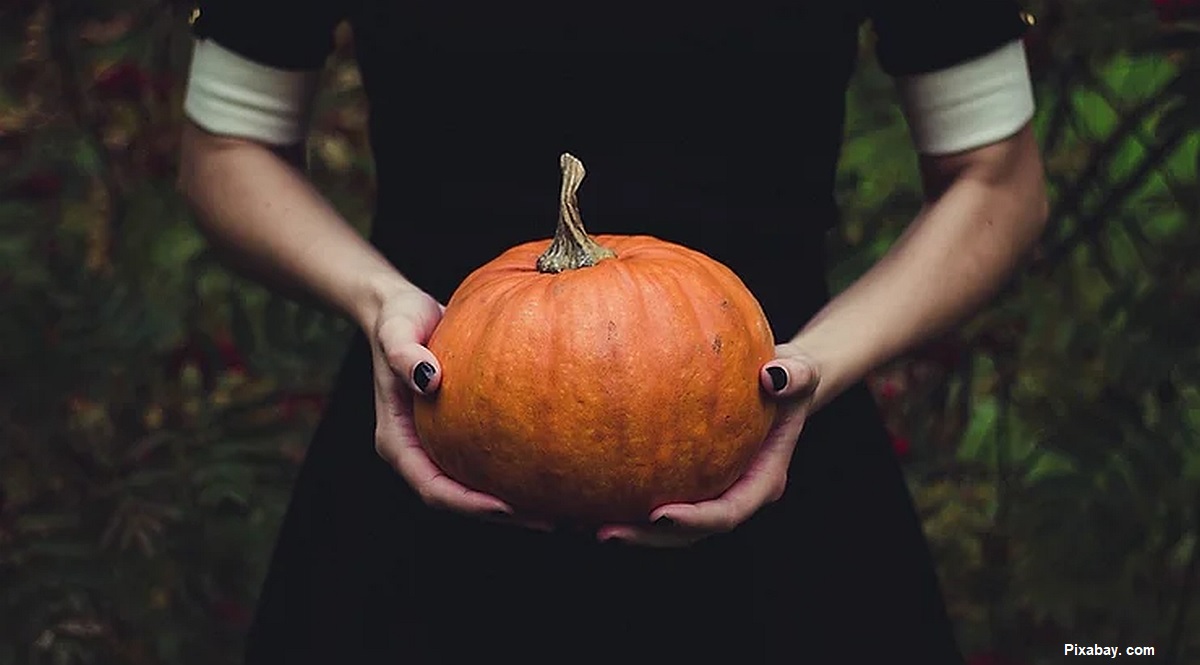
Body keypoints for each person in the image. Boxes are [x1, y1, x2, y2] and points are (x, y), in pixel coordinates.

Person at [177, 0, 1048, 662]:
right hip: (431, 427)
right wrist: (376, 301)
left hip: (773, 438)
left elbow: (997, 178)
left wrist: (816, 363)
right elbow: (227, 147)